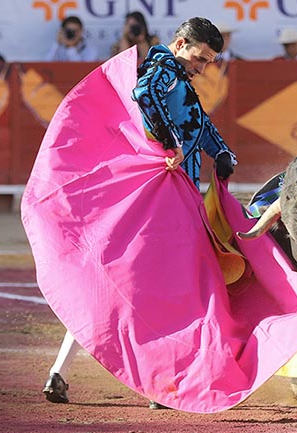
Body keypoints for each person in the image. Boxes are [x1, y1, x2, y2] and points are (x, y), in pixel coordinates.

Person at [43, 16, 236, 408]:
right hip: (162, 200)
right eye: (199, 57)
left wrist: (222, 152)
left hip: (166, 197)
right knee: (173, 289)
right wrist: (171, 143)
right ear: (180, 44)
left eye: (208, 61)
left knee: (111, 285)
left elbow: (198, 124)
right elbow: (144, 92)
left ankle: (60, 373)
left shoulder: (178, 76)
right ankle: (158, 383)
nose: (202, 67)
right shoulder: (163, 68)